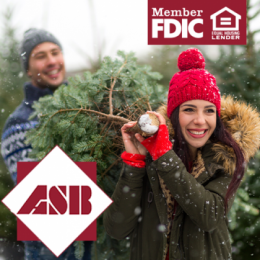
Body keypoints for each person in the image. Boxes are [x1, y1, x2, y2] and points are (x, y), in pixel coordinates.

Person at [104, 48, 260, 260]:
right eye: (189, 110)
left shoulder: (226, 158)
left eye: (209, 110)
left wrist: (164, 156)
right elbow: (117, 228)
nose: (200, 120)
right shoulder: (153, 156)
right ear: (174, 115)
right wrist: (134, 163)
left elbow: (209, 216)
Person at [1, 28, 92, 260]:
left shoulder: (87, 108)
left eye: (55, 52)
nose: (52, 61)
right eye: (41, 56)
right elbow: (43, 206)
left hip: (91, 247)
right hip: (50, 252)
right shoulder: (19, 123)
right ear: (28, 69)